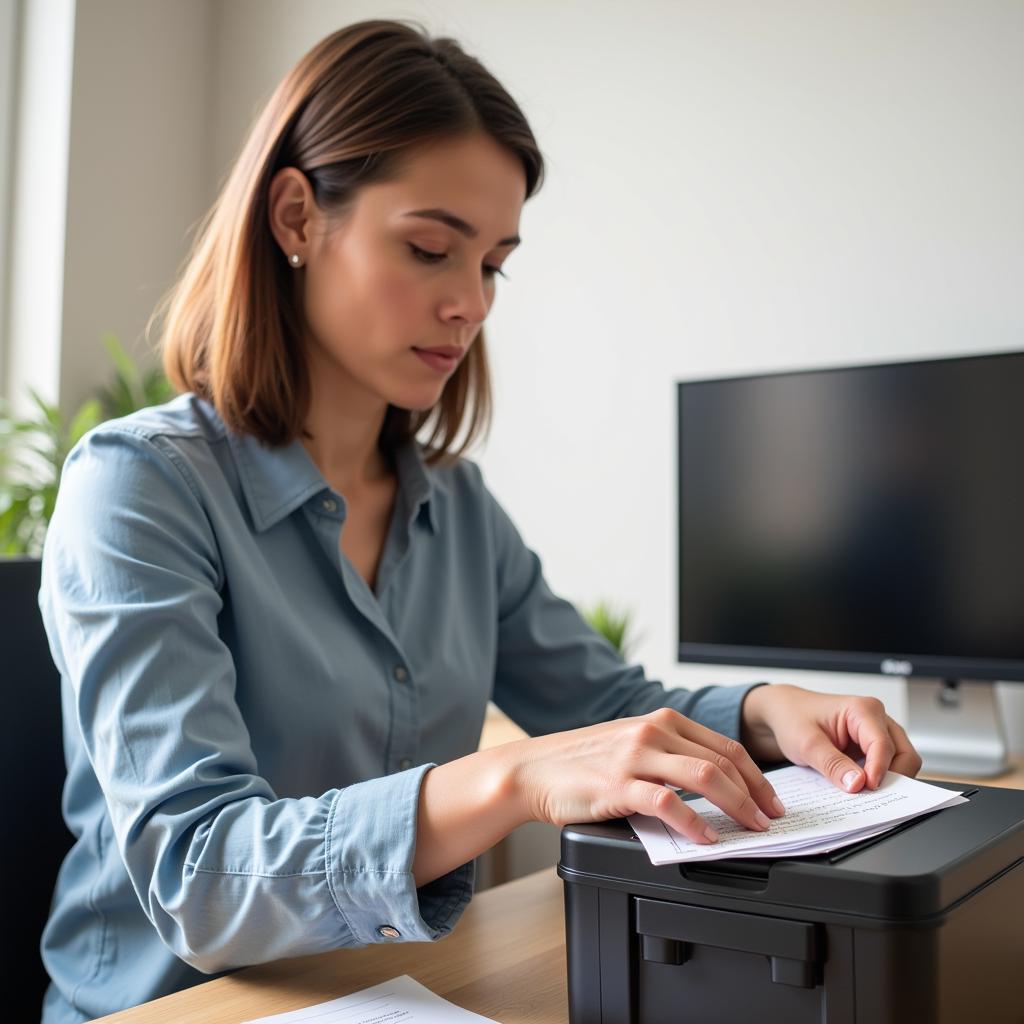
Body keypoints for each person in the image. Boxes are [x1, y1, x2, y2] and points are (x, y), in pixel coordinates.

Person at [37, 20, 922, 1023]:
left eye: (494, 264)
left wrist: (764, 714)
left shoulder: (453, 506)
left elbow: (605, 702)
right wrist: (508, 779)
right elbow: (198, 874)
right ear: (294, 215)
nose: (469, 303)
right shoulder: (138, 487)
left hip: (396, 997)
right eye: (427, 249)